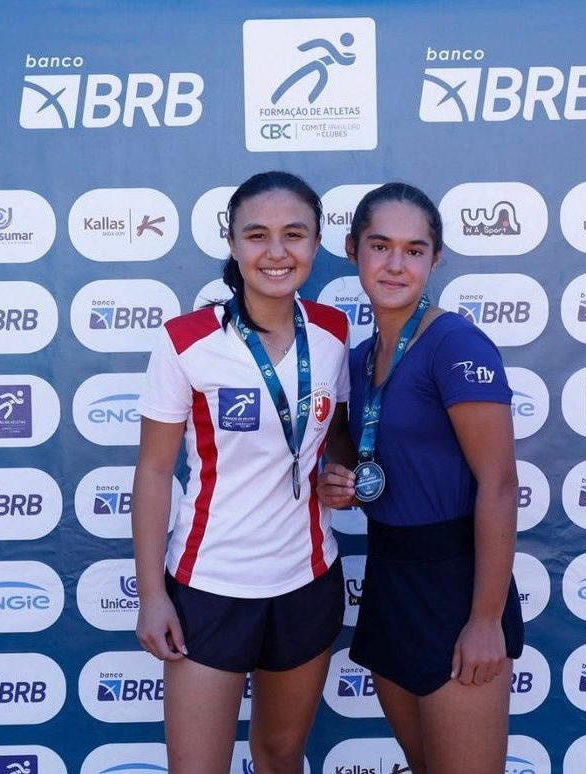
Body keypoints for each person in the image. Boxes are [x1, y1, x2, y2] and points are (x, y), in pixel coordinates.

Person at [133, 171, 351, 774]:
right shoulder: (185, 341)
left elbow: (332, 433)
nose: (276, 252)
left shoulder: (333, 332)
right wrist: (152, 595)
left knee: (281, 756)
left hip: (308, 578)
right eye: (256, 235)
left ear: (316, 243)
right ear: (231, 243)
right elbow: (154, 471)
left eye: (294, 235)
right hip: (210, 585)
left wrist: (342, 474)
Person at [318, 182, 524, 774]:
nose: (395, 264)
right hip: (390, 577)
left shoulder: (455, 342)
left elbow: (500, 485)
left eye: (414, 250)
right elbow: (355, 459)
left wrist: (484, 620)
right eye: (380, 246)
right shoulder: (358, 358)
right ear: (353, 250)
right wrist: (340, 482)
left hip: (456, 587)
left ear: (436, 259)